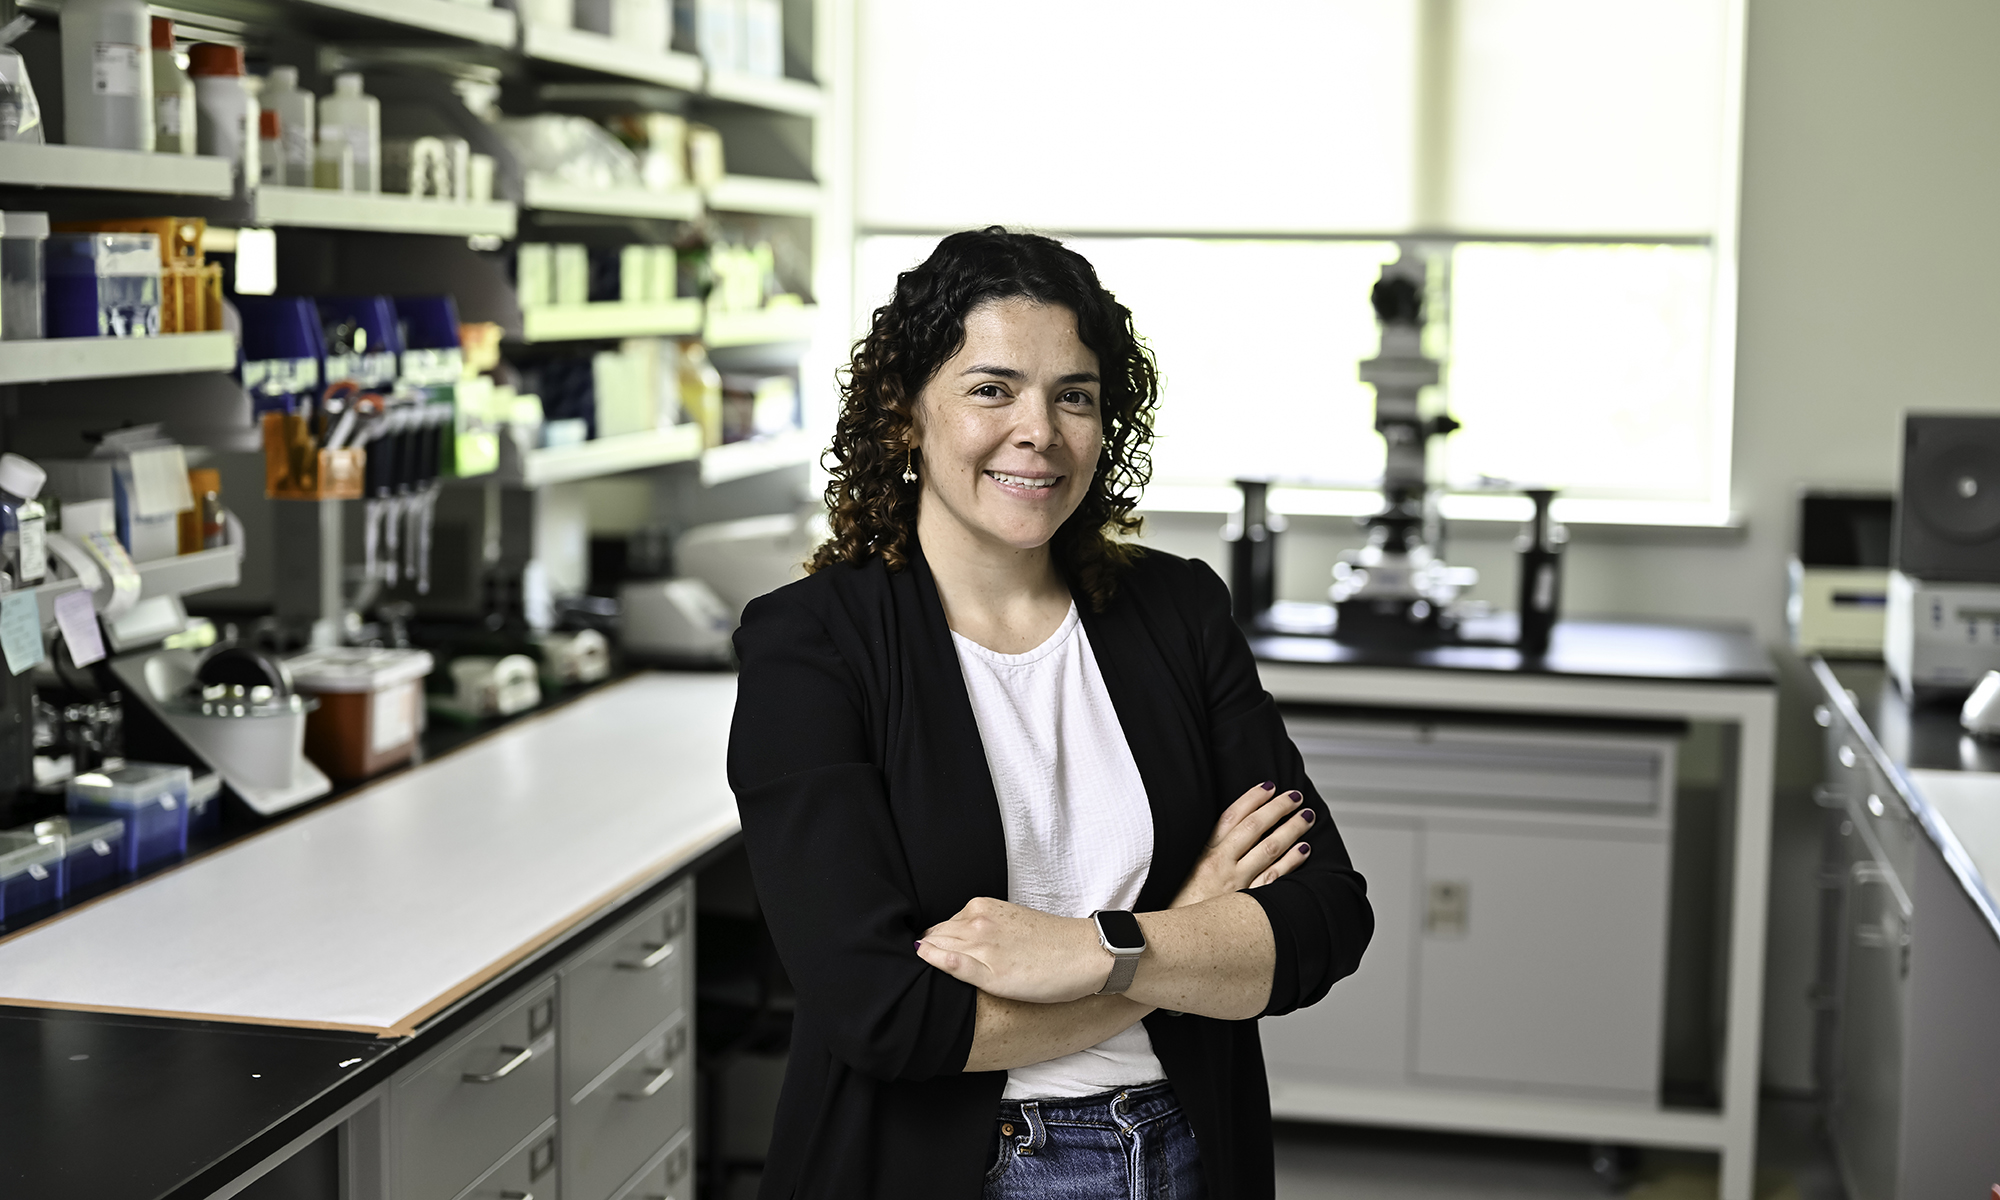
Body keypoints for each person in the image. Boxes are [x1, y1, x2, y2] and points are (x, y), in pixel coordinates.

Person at [727, 227, 1373, 1200]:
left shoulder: (1176, 612)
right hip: (955, 1170)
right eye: (991, 388)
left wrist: (1090, 949)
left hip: (1190, 1153)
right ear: (904, 415)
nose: (1038, 429)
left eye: (1072, 395)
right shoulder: (809, 646)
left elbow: (1323, 919)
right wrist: (1186, 932)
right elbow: (887, 1016)